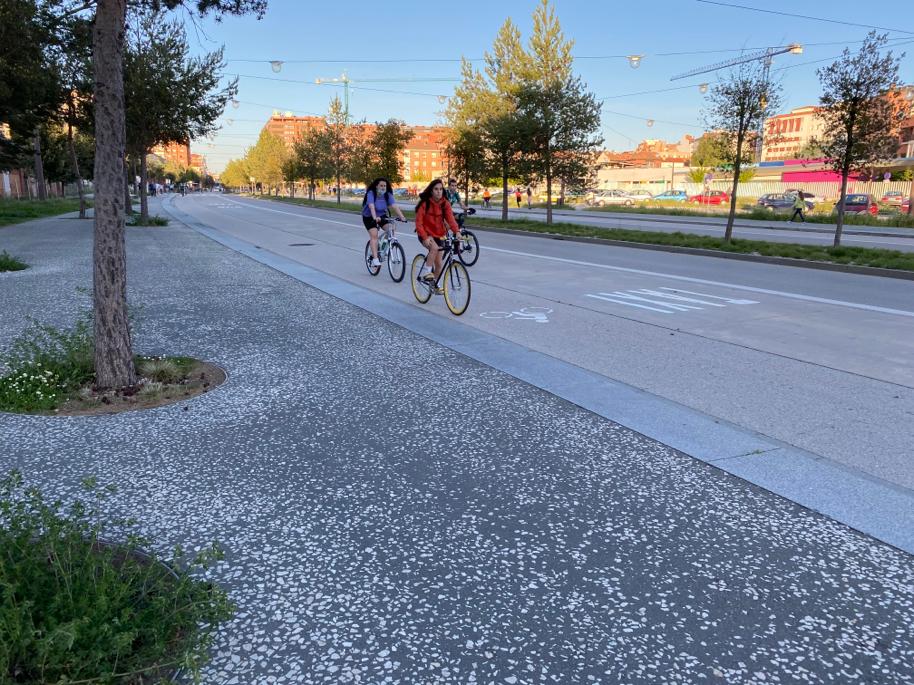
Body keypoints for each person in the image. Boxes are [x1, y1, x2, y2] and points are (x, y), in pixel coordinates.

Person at [415, 179, 460, 290]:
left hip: (439, 235)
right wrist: (425, 237)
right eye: (436, 189)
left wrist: (457, 231)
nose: (439, 191)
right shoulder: (425, 203)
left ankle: (433, 284)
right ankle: (426, 273)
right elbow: (418, 223)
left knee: (439, 264)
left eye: (440, 189)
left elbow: (451, 219)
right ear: (431, 191)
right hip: (425, 233)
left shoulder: (445, 203)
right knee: (434, 248)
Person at [361, 178, 406, 267]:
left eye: (384, 186)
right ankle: (375, 259)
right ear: (376, 186)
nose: (383, 187)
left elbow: (394, 206)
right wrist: (374, 217)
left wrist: (402, 217)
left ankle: (384, 246)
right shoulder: (371, 193)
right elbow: (371, 206)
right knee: (374, 235)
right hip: (369, 216)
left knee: (391, 228)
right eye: (381, 185)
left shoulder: (387, 195)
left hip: (382, 215)